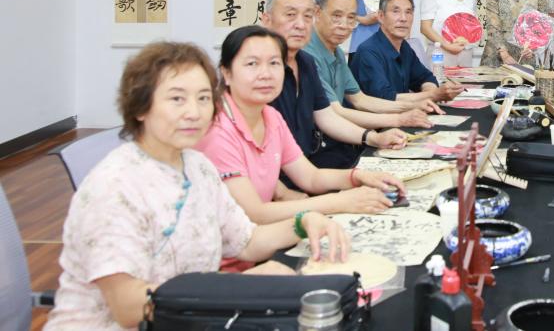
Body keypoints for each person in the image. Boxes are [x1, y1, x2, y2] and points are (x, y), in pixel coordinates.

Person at [45, 42, 348, 330]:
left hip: (187, 319)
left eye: (203, 98)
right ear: (140, 107)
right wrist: (242, 286)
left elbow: (246, 240)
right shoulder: (114, 186)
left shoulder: (196, 165)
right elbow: (128, 306)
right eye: (177, 99)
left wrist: (303, 222)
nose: (194, 112)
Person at [196, 25, 406, 232]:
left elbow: (310, 177)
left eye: (274, 63)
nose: (265, 74)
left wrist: (358, 177)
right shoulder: (217, 129)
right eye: (252, 64)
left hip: (263, 235)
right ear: (226, 73)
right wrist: (340, 202)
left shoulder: (270, 116)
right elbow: (255, 213)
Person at [257, 0, 405, 172]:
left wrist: (374, 138)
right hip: (275, 172)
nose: (300, 24)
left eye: (307, 16)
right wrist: (398, 119)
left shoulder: (305, 62)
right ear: (266, 20)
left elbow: (326, 116)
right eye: (290, 15)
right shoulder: (257, 71)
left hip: (303, 164)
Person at [305, 0, 443, 168]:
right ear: (317, 13)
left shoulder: (336, 51)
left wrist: (411, 106)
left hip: (343, 139)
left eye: (351, 18)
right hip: (315, 148)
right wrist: (400, 117)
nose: (344, 25)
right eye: (336, 16)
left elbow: (360, 99)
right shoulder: (308, 54)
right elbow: (335, 112)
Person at [351, 0, 465, 102]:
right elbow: (384, 98)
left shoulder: (404, 46)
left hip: (403, 111)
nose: (403, 18)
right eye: (396, 11)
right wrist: (432, 95)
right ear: (381, 16)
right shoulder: (368, 51)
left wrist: (430, 92)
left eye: (408, 12)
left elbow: (425, 77)